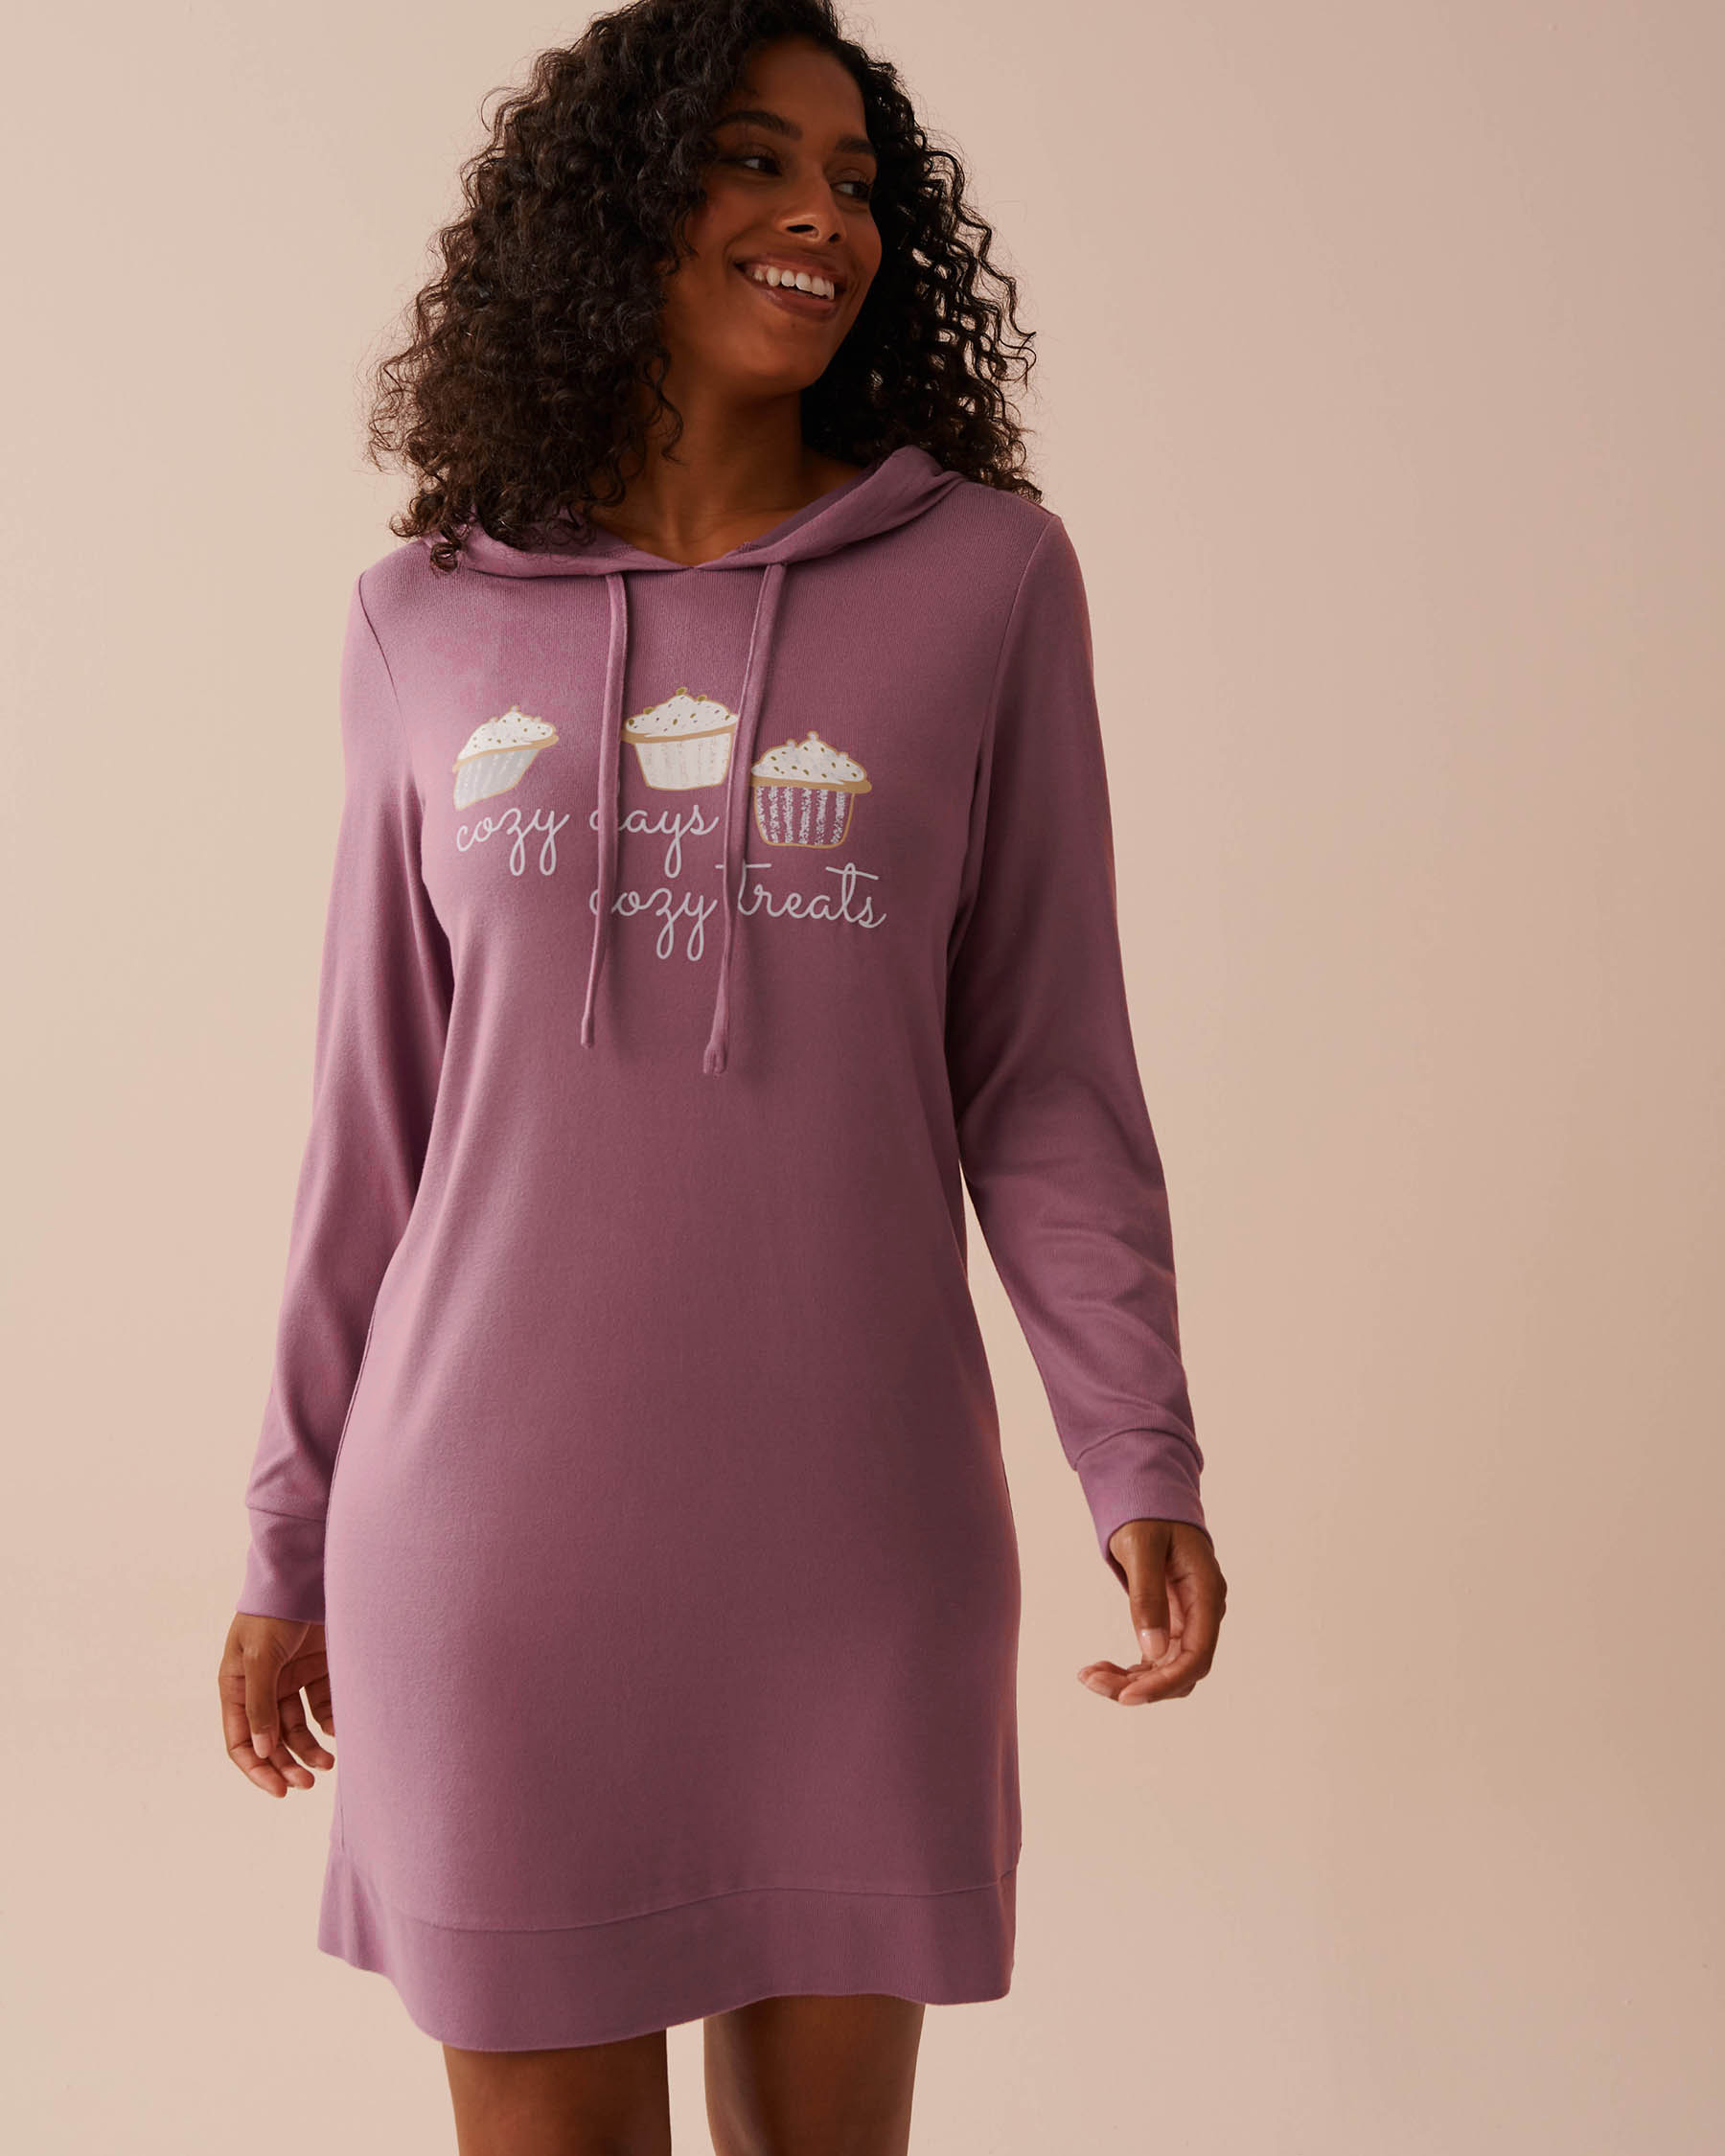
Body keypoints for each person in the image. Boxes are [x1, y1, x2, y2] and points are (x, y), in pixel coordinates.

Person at [216, 2, 1228, 2148]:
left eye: (856, 182)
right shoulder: (421, 620)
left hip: (860, 1532)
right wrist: (286, 1533)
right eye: (754, 161)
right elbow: (371, 1128)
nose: (820, 219)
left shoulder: (988, 583)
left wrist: (1135, 1444)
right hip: (489, 1548)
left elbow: (1045, 1070)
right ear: (613, 211)